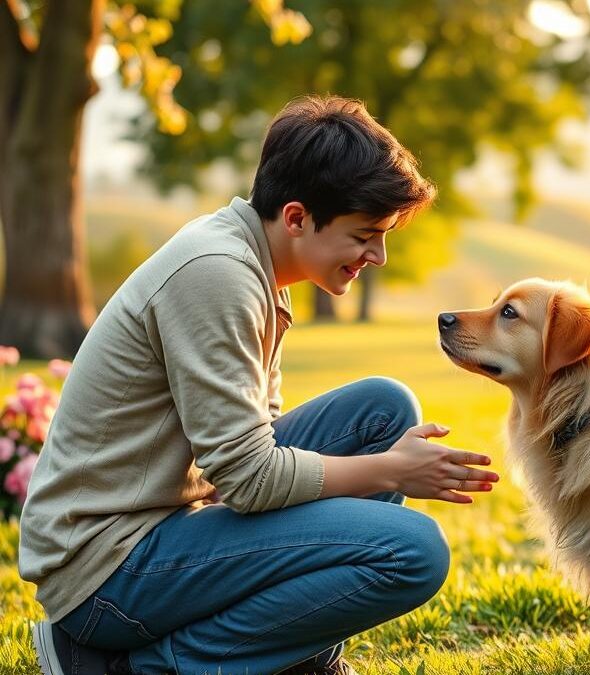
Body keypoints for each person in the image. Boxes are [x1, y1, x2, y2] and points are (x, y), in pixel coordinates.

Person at [19, 95, 499, 675]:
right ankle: (142, 667)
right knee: (414, 551)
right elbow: (249, 480)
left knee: (383, 408)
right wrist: (392, 471)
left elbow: (253, 449)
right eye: (364, 235)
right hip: (107, 571)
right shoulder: (216, 274)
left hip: (167, 524)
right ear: (296, 218)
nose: (378, 255)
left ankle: (293, 656)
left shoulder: (258, 266)